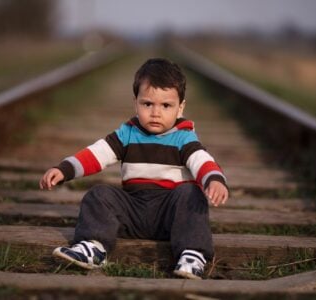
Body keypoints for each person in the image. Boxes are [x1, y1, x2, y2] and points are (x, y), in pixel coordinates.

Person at [39, 58, 229, 280]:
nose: (156, 113)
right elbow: (97, 153)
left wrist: (213, 179)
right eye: (147, 104)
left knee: (191, 194)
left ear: (181, 108)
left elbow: (201, 161)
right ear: (135, 103)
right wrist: (65, 169)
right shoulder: (127, 134)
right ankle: (93, 247)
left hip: (171, 216)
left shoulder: (183, 137)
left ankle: (192, 254)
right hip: (133, 211)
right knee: (99, 194)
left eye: (166, 106)